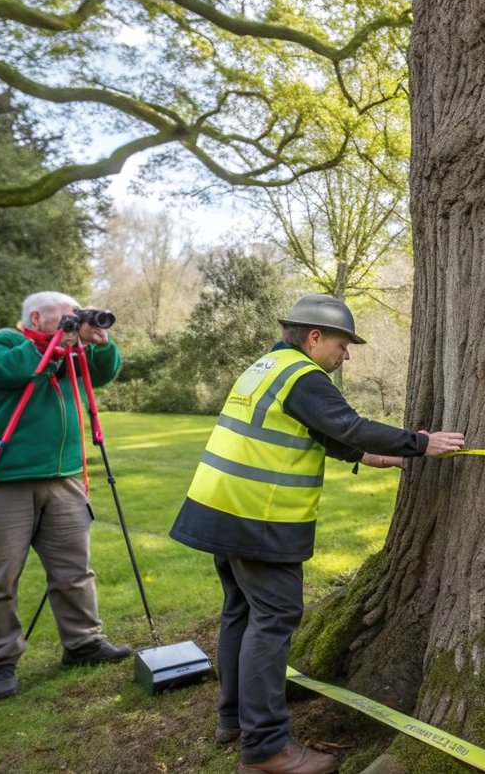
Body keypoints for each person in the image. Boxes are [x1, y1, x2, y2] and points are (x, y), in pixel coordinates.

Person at [170, 295, 465, 774]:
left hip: (220, 508)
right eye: (343, 345)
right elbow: (348, 425)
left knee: (241, 614)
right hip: (257, 517)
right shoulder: (304, 377)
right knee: (274, 619)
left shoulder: (267, 367)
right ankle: (266, 748)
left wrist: (362, 456)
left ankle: (235, 720)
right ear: (315, 336)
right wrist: (420, 443)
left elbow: (308, 429)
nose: (345, 356)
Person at [0, 291, 133, 700]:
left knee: (74, 570)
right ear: (36, 318)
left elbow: (103, 373)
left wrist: (100, 342)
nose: (75, 323)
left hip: (64, 479)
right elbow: (17, 370)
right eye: (67, 317)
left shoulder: (70, 352)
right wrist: (57, 344)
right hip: (4, 480)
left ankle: (83, 642)